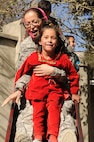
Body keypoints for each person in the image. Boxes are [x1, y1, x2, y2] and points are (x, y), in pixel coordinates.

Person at [2, 8, 80, 142]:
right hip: (35, 89)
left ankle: (65, 136)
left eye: (35, 22)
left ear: (43, 20)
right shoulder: (28, 48)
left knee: (61, 112)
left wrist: (53, 72)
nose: (31, 26)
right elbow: (24, 72)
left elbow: (70, 71)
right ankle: (25, 136)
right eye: (28, 24)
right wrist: (19, 88)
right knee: (30, 112)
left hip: (58, 89)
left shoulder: (59, 43)